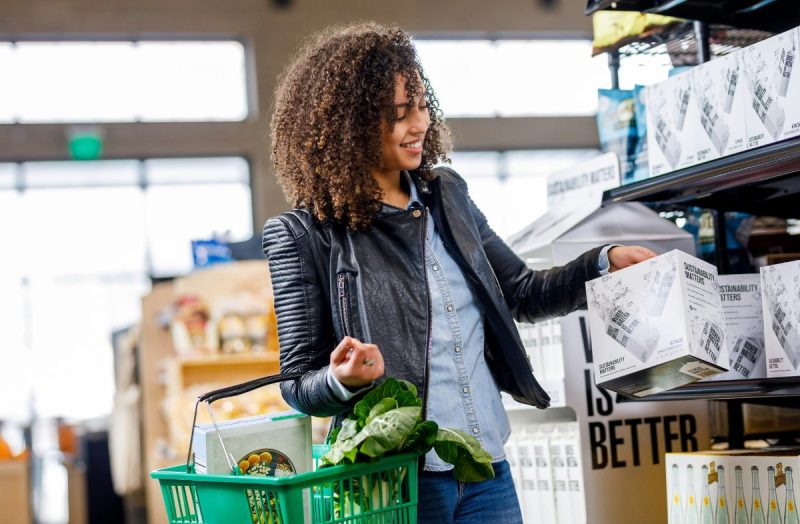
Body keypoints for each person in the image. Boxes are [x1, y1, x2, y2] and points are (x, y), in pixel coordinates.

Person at [262, 22, 656, 523]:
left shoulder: (447, 195)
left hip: (486, 469)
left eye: (422, 106)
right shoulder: (303, 235)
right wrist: (342, 379)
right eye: (398, 114)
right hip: (395, 481)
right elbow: (296, 382)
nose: (419, 124)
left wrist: (603, 262)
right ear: (349, 124)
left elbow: (521, 292)